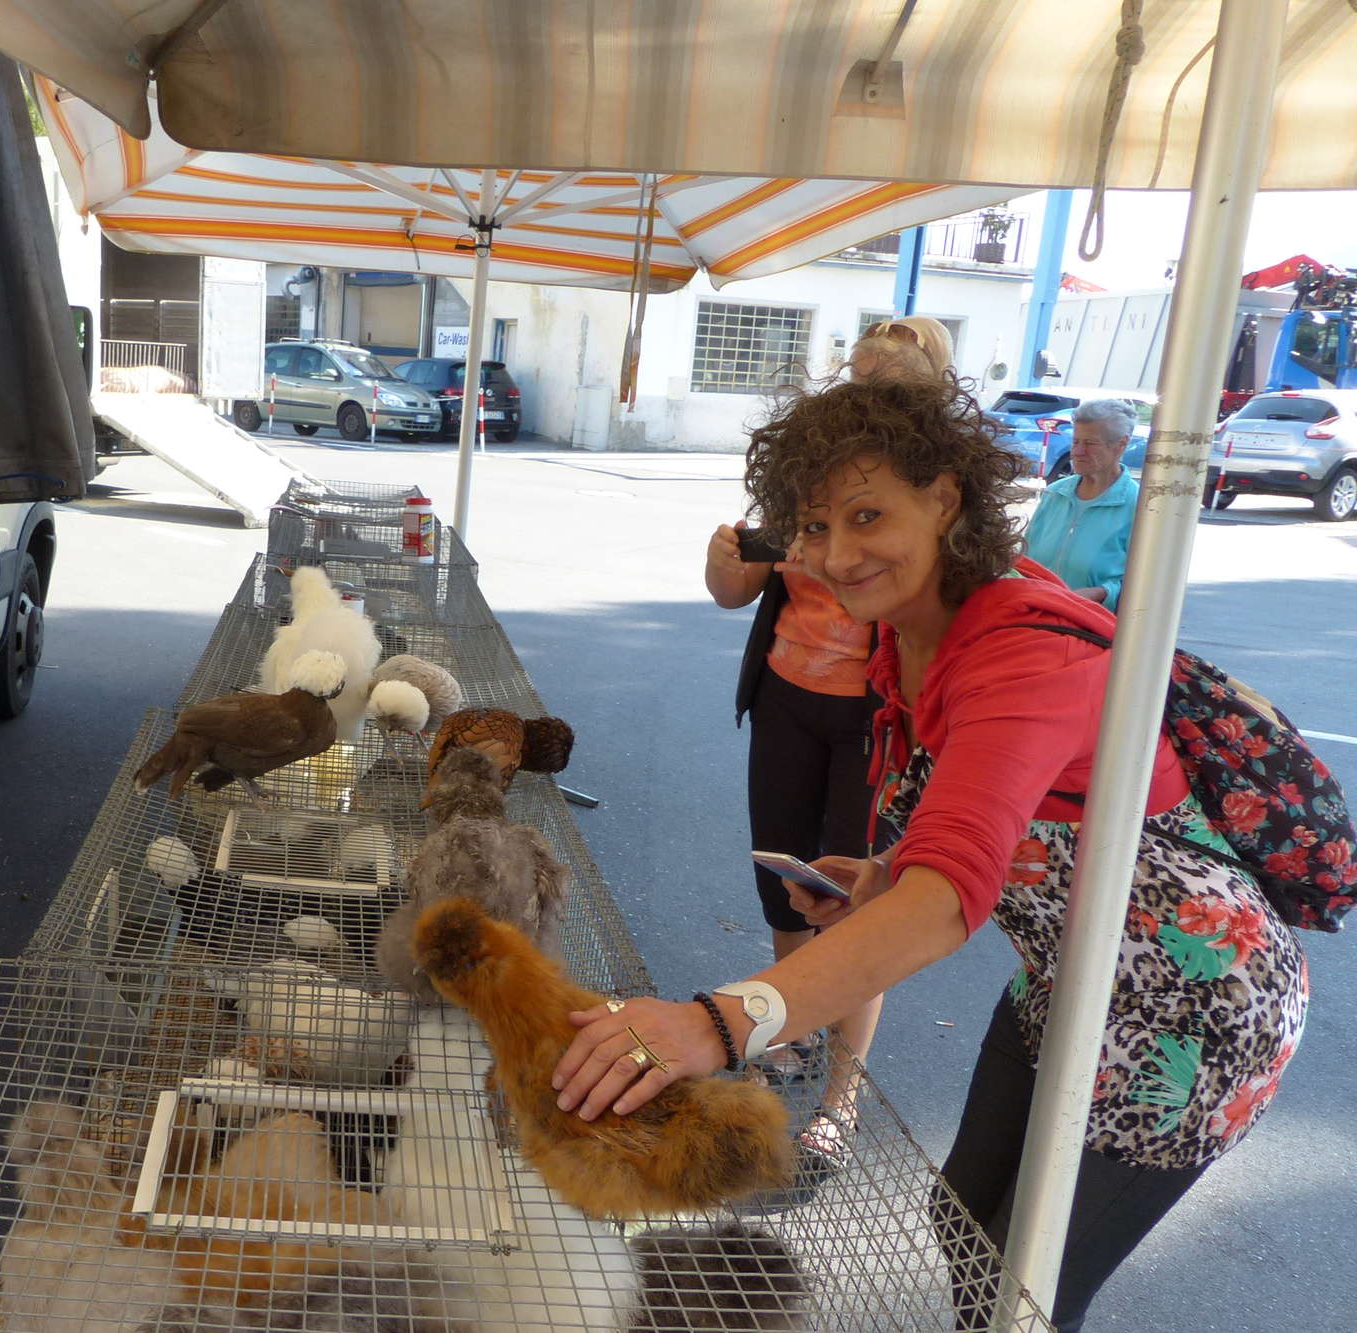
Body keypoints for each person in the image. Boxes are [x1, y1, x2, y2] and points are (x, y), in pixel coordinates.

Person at [558, 374, 1307, 1331]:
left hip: (1198, 1010)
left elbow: (950, 892)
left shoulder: (1022, 649)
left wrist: (717, 1024)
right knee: (964, 1223)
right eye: (816, 525)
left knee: (1028, 1284)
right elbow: (972, 834)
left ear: (945, 498)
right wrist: (879, 877)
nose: (838, 554)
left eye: (868, 514)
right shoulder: (907, 636)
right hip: (1068, 977)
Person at [699, 315, 955, 1176]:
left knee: (857, 903)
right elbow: (734, 589)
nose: (861, 401)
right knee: (784, 878)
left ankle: (843, 1092)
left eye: (882, 389)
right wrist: (727, 561)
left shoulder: (930, 490)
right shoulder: (811, 473)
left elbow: (931, 609)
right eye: (856, 383)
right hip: (785, 699)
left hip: (874, 718)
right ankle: (793, 1027)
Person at [1024, 397, 1141, 610]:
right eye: (1076, 441)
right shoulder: (1055, 494)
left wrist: (1102, 593)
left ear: (1122, 444)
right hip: (1035, 617)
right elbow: (1025, 560)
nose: (1077, 452)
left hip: (1092, 623)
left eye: (1090, 443)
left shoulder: (1140, 506)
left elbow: (1145, 585)